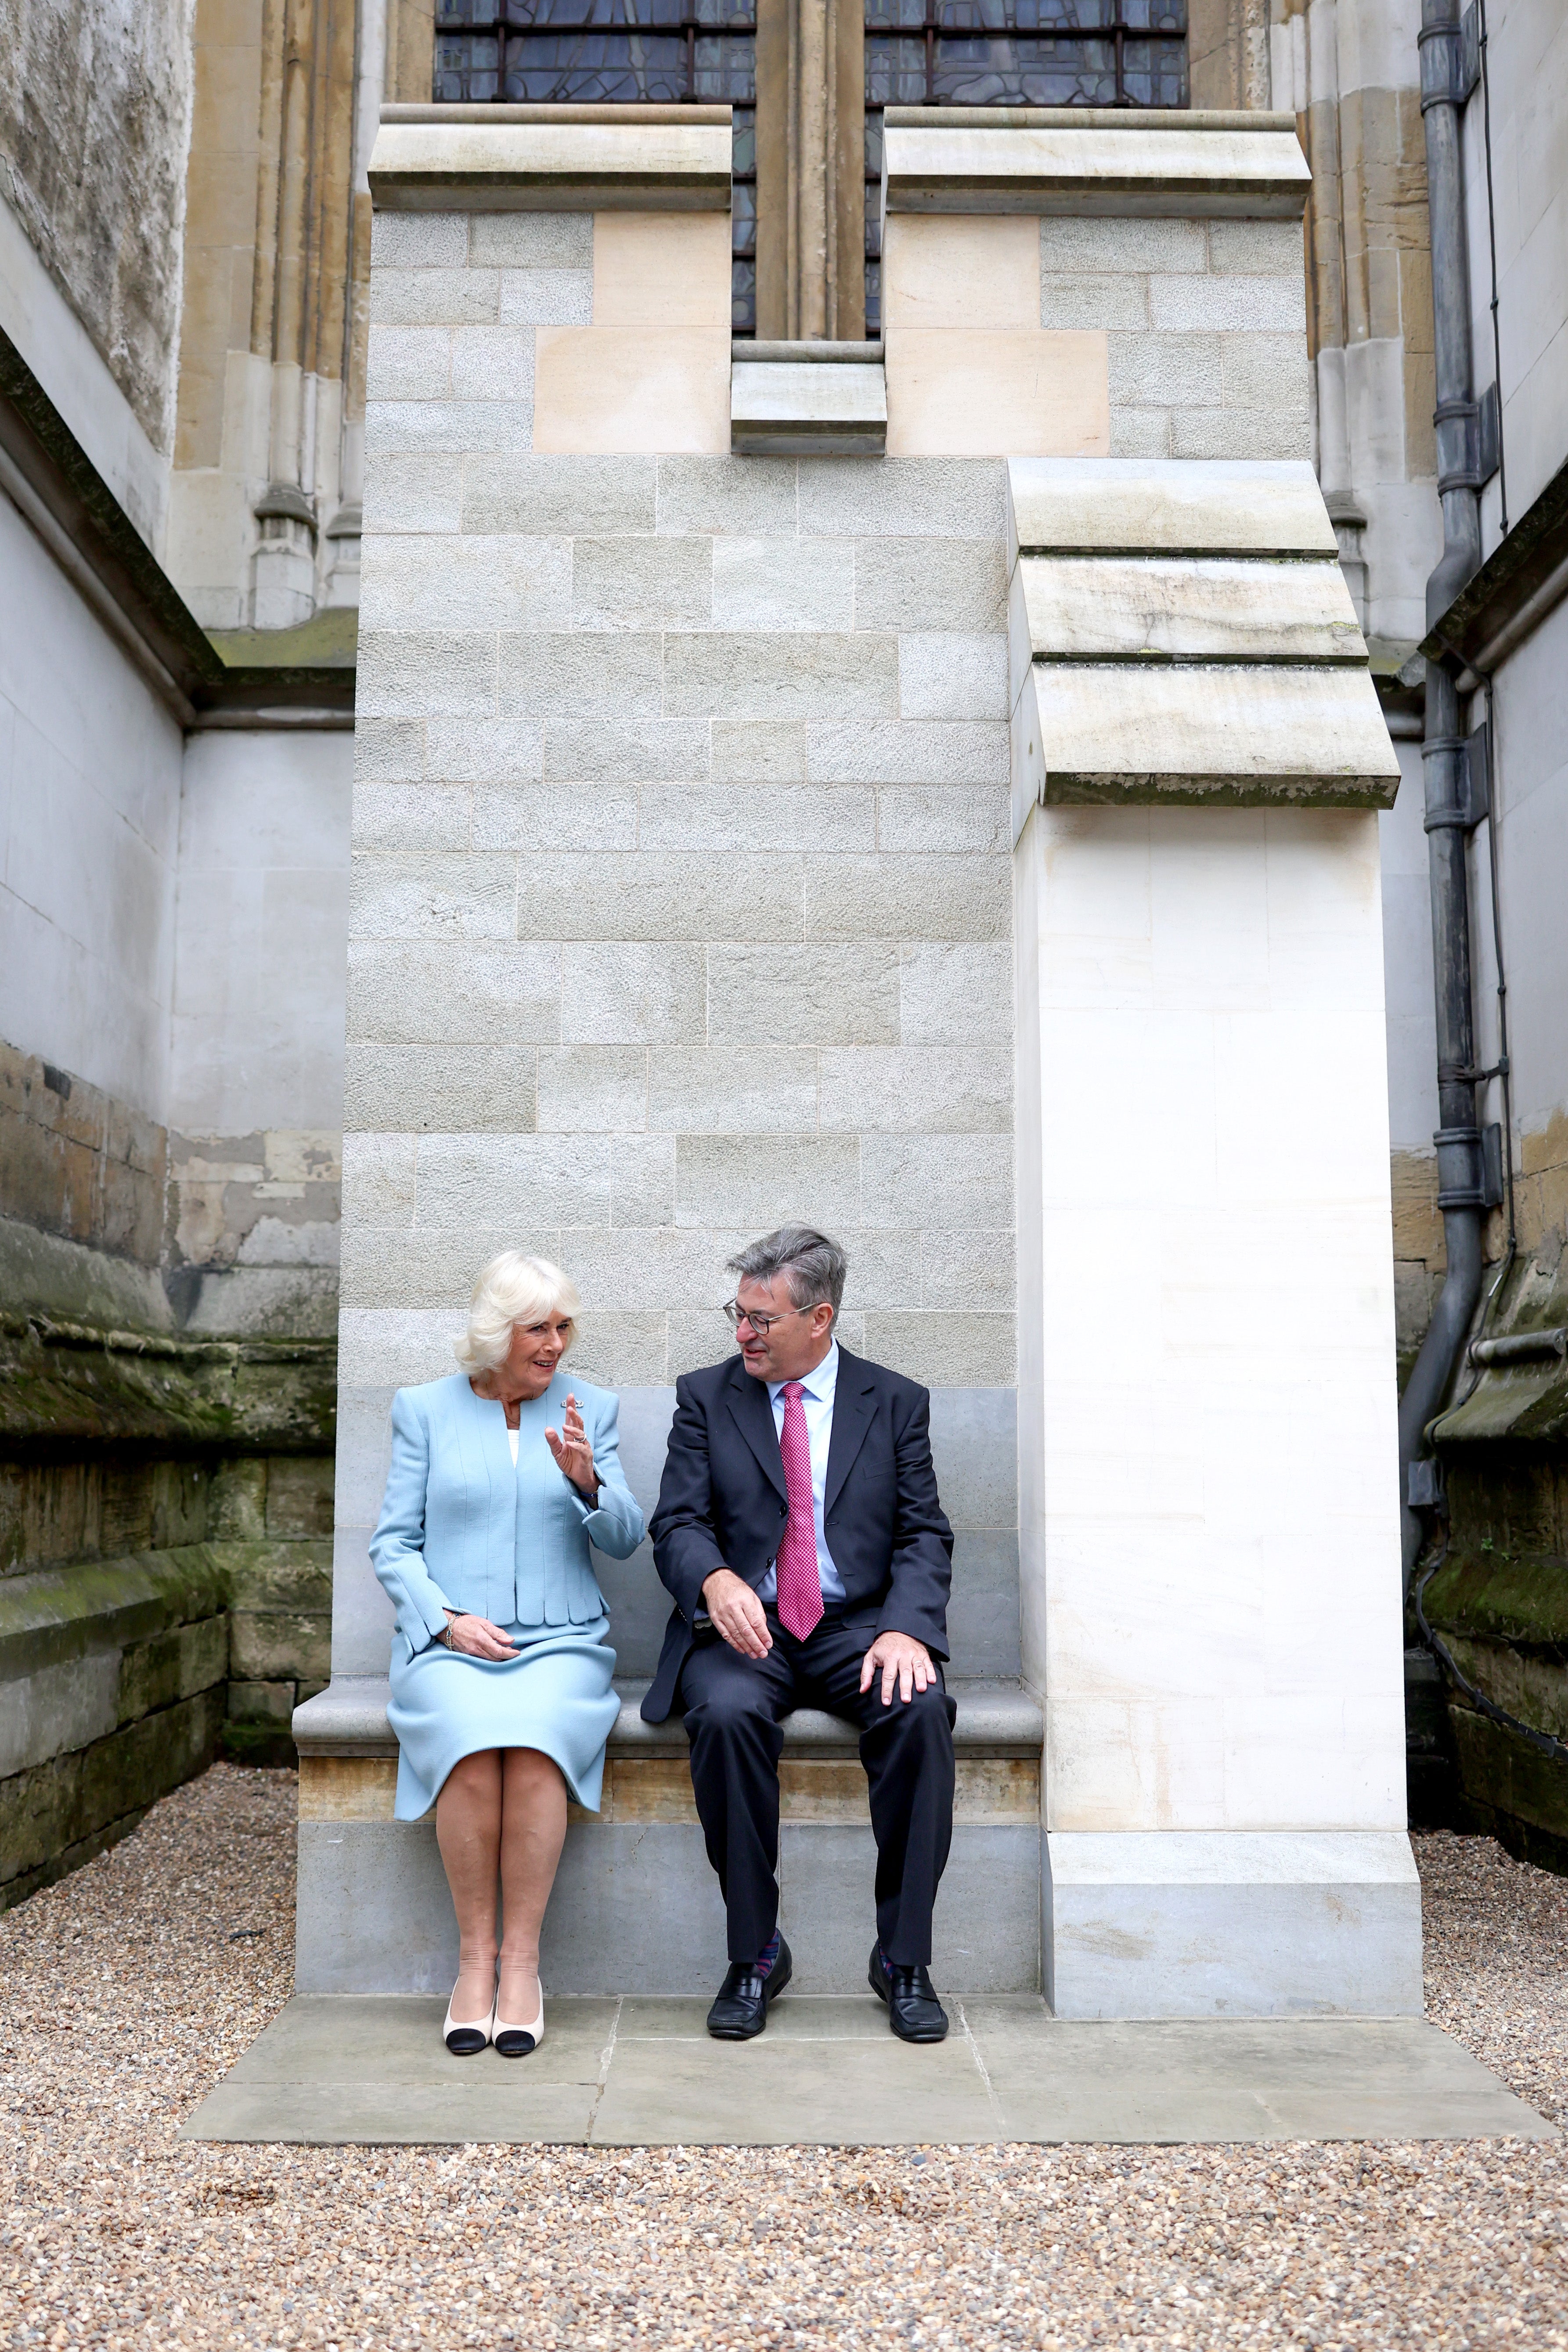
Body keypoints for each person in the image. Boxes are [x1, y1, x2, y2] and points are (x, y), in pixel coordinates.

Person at [644, 1225, 956, 2045]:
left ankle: (904, 1960)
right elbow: (677, 1522)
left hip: (856, 1629)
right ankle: (754, 1954)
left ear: (819, 1319)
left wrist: (907, 1629)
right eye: (737, 1314)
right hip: (747, 1631)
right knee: (725, 1717)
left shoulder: (893, 1402)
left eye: (761, 1318)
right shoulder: (705, 1398)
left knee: (921, 1711)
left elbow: (923, 1535)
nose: (742, 1333)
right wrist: (714, 1581)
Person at [370, 1252, 644, 2057]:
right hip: (449, 1640)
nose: (555, 1344)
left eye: (564, 1327)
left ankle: (521, 1966)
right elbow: (394, 1545)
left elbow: (628, 1541)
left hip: (562, 1641)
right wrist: (447, 1621)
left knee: (532, 1747)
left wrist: (591, 1483)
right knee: (466, 1745)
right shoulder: (424, 1410)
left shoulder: (591, 1407)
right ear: (499, 1333)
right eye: (538, 1328)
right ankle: (472, 1969)